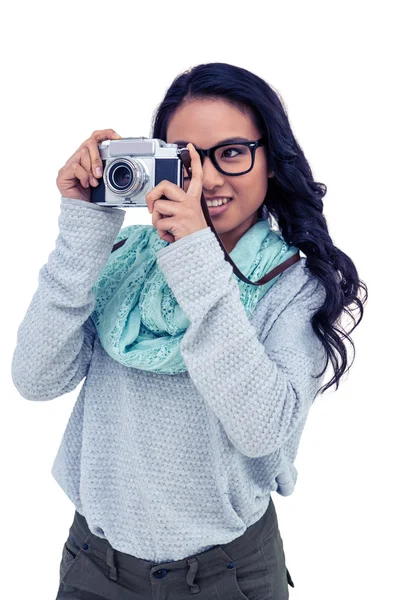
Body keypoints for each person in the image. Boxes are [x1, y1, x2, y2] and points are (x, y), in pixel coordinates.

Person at [11, 62, 368, 599]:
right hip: (93, 567)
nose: (207, 180)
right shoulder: (126, 258)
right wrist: (85, 230)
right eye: (184, 160)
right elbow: (35, 379)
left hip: (227, 576)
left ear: (270, 160)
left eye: (230, 153)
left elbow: (263, 430)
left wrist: (195, 255)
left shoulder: (295, 286)